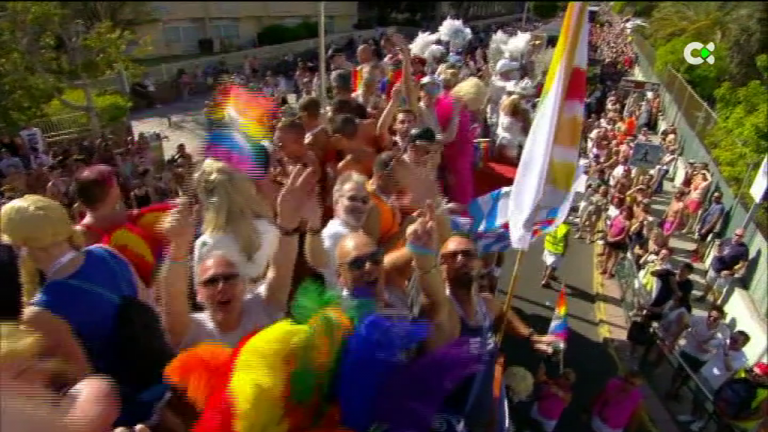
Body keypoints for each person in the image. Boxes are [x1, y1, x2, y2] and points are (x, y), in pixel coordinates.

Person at [0, 195, 166, 428]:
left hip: (128, 411)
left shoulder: (41, 311)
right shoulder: (107, 253)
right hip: (165, 384)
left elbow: (84, 380)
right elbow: (152, 311)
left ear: (21, 246)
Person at [158, 164, 315, 350]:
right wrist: (177, 248)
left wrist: (289, 224)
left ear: (243, 284)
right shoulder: (196, 333)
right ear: (198, 293)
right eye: (211, 281)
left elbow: (280, 273)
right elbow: (174, 306)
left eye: (230, 277)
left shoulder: (264, 310)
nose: (222, 286)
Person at [677, 330, 751, 432]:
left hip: (716, 382)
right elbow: (707, 345)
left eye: (735, 340)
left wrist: (726, 352)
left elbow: (730, 368)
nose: (731, 341)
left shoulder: (742, 358)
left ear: (742, 345)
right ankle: (692, 415)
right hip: (705, 373)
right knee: (696, 396)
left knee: (703, 400)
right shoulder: (724, 342)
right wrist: (712, 337)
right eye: (732, 337)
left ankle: (701, 420)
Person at [666, 305, 730, 400]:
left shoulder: (724, 331)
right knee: (679, 371)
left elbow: (724, 346)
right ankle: (671, 389)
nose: (711, 320)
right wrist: (673, 342)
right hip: (688, 351)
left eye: (715, 319)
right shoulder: (697, 320)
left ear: (721, 319)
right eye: (710, 316)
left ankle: (677, 390)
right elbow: (683, 327)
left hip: (702, 358)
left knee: (689, 376)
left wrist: (712, 350)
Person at [697, 227, 749, 304]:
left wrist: (730, 272)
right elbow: (717, 246)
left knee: (719, 289)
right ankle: (704, 296)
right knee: (709, 283)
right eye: (736, 234)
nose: (737, 237)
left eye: (740, 236)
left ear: (743, 237)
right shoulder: (727, 240)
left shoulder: (744, 249)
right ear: (733, 233)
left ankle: (714, 305)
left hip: (726, 273)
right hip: (715, 267)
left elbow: (742, 264)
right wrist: (716, 252)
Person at [530, 364, 576, 432]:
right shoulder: (551, 382)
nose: (564, 380)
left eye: (567, 379)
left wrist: (558, 392)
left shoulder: (568, 393)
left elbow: (567, 400)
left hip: (550, 420)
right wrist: (541, 375)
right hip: (537, 410)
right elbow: (539, 381)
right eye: (563, 377)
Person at [691, 191, 725, 263]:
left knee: (703, 242)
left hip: (708, 227)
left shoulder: (720, 207)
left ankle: (700, 257)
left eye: (717, 197)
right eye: (714, 196)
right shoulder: (714, 204)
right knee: (700, 239)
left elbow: (715, 220)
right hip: (704, 224)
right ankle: (696, 250)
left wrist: (706, 229)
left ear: (720, 198)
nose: (714, 198)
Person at [541, 222, 570, 288]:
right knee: (553, 265)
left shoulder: (550, 223)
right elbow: (566, 242)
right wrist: (564, 251)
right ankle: (545, 281)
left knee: (547, 261)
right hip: (557, 249)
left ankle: (547, 274)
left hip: (548, 246)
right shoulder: (565, 228)